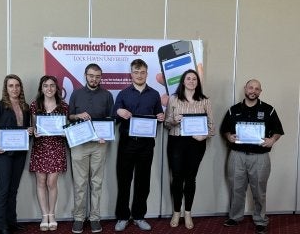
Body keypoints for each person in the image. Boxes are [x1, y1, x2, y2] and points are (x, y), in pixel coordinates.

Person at [220, 79, 284, 234]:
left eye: (257, 89)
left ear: (260, 92)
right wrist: (229, 137)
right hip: (237, 156)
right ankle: (235, 217)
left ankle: (260, 220)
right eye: (251, 87)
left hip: (260, 157)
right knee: (236, 188)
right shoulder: (233, 110)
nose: (253, 91)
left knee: (259, 191)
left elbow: (278, 131)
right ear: (245, 89)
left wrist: (272, 140)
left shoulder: (269, 110)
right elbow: (225, 130)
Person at [113, 59, 165, 232]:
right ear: (131, 74)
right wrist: (118, 112)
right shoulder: (123, 94)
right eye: (136, 72)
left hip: (146, 145)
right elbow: (114, 117)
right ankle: (122, 217)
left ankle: (139, 216)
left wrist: (160, 118)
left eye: (142, 72)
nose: (139, 75)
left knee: (143, 182)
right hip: (127, 144)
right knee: (124, 181)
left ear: (147, 73)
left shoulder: (154, 94)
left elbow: (157, 118)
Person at [164, 69, 215, 229]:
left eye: (194, 79)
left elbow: (212, 127)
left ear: (197, 82)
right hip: (176, 142)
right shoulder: (173, 99)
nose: (191, 81)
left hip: (196, 144)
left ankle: (188, 212)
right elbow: (166, 123)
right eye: (188, 78)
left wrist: (204, 136)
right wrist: (174, 120)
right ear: (183, 81)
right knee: (177, 178)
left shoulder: (205, 101)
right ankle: (176, 212)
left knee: (190, 179)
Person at [0, 74, 33, 234]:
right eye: (11, 86)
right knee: (3, 188)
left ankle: (11, 222)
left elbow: (25, 131)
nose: (14, 89)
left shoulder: (25, 107)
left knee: (13, 189)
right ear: (6, 88)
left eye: (17, 85)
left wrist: (30, 132)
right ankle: (0, 225)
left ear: (21, 88)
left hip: (20, 153)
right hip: (2, 153)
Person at [69, 63, 114, 234]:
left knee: (96, 183)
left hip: (99, 145)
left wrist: (107, 135)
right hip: (79, 145)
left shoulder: (107, 95)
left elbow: (111, 119)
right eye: (91, 75)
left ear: (100, 77)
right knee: (80, 184)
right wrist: (77, 115)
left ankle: (95, 217)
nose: (94, 79)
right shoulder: (76, 94)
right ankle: (79, 218)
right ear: (85, 75)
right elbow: (69, 117)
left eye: (97, 76)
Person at [29, 75, 69, 231]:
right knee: (40, 183)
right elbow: (33, 127)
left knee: (52, 183)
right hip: (40, 147)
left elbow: (66, 128)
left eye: (52, 85)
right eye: (46, 85)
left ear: (56, 88)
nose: (49, 88)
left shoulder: (63, 106)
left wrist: (65, 133)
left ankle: (52, 214)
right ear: (41, 88)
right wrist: (35, 132)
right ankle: (44, 215)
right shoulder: (34, 105)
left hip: (57, 147)